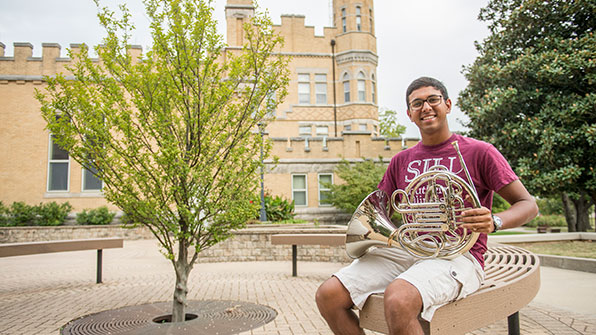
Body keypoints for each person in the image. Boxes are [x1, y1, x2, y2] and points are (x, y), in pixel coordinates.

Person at [315, 76, 538, 335]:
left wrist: (495, 221)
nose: (426, 107)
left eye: (433, 100)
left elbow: (528, 205)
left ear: (448, 105)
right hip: (411, 249)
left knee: (399, 299)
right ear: (409, 114)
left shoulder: (480, 152)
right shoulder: (401, 160)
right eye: (417, 103)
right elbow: (378, 210)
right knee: (328, 295)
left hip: (459, 255)